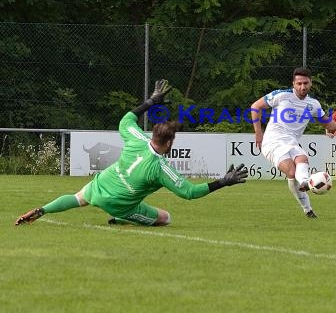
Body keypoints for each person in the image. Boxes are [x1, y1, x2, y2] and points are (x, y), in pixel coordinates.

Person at [15, 80, 248, 227]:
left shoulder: (137, 138)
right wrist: (223, 182)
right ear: (167, 143)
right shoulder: (160, 168)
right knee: (166, 218)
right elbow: (190, 192)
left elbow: (126, 119)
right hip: (120, 205)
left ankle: (41, 210)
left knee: (77, 199)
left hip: (103, 183)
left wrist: (151, 101)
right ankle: (123, 218)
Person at [251, 68, 336, 218]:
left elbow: (328, 124)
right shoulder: (281, 95)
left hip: (292, 141)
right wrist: (258, 132)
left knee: (302, 159)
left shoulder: (313, 104)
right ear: (293, 84)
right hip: (272, 141)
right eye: (299, 83)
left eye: (305, 83)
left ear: (311, 83)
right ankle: (307, 207)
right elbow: (255, 106)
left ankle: (305, 183)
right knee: (291, 171)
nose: (302, 87)